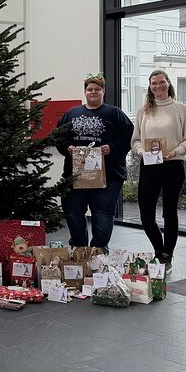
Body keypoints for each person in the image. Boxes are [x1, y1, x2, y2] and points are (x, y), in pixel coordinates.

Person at [56, 74, 134, 251]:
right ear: (85, 92)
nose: (93, 92)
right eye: (90, 89)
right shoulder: (71, 114)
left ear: (103, 91)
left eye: (97, 89)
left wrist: (112, 148)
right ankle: (79, 249)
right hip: (75, 175)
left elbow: (130, 137)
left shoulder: (115, 114)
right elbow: (58, 136)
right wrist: (68, 147)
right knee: (73, 212)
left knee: (103, 214)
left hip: (109, 176)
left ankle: (98, 251)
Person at [131, 70, 186, 275]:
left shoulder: (181, 109)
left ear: (168, 83)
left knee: (169, 213)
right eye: (153, 83)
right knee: (146, 215)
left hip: (173, 166)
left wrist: (176, 151)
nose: (158, 86)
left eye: (161, 82)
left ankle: (167, 256)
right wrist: (141, 152)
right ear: (149, 86)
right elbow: (135, 140)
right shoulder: (143, 111)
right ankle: (159, 251)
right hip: (149, 166)